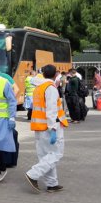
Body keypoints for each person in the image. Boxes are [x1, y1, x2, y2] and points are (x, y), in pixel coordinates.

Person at [24, 64, 68, 193]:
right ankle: (33, 174)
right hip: (50, 127)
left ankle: (52, 184)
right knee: (56, 154)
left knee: (45, 156)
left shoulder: (39, 87)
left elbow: (33, 79)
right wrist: (53, 128)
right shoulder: (50, 88)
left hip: (39, 126)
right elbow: (51, 111)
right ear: (56, 75)